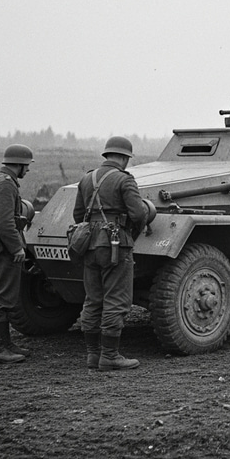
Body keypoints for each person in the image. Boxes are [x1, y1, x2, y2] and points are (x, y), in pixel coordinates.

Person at [74, 136, 152, 371]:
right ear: (125, 158)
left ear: (107, 155)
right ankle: (109, 355)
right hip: (116, 244)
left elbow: (78, 215)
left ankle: (92, 355)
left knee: (93, 299)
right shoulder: (124, 180)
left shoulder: (87, 178)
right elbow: (138, 214)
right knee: (116, 300)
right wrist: (133, 232)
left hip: (89, 244)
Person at [0, 144, 35, 363]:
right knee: (2, 297)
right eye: (27, 166)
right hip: (3, 247)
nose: (28, 170)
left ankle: (5, 344)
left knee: (4, 294)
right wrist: (17, 248)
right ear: (19, 164)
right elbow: (3, 222)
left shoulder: (0, 180)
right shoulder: (6, 185)